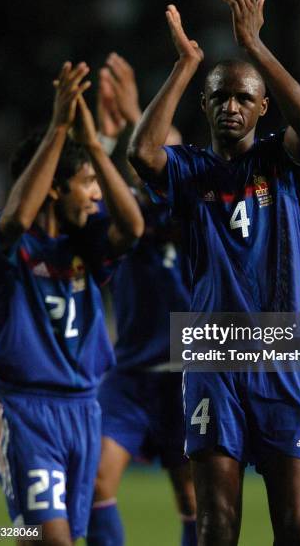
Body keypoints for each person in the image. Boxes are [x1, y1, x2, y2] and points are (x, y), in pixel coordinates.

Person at [128, 0, 300, 546]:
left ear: (264, 107)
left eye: (243, 98)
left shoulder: (283, 163)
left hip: (282, 351)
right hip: (212, 354)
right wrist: (187, 64)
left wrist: (255, 48)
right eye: (220, 98)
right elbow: (141, 154)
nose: (232, 107)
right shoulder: (188, 171)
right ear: (206, 106)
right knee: (217, 528)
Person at [0, 61, 144, 545]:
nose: (95, 195)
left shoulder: (85, 240)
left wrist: (93, 145)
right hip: (25, 410)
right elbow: (16, 219)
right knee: (54, 541)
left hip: (84, 409)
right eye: (86, 183)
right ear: (52, 185)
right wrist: (59, 127)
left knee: (42, 539)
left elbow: (132, 227)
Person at [86, 53, 197, 546]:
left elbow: (164, 155)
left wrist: (136, 114)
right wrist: (110, 136)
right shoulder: (125, 217)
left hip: (185, 374)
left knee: (193, 501)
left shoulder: (193, 206)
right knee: (95, 485)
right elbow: (84, 196)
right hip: (128, 376)